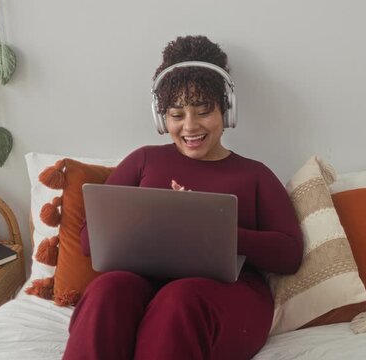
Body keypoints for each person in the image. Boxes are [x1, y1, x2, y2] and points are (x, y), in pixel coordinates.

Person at [62, 35, 303, 360]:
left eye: (203, 111)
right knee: (108, 289)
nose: (190, 126)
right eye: (176, 115)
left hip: (227, 294)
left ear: (225, 110)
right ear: (162, 118)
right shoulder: (143, 161)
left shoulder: (254, 174)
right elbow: (90, 242)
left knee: (179, 298)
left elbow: (289, 254)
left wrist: (213, 230)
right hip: (144, 284)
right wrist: (156, 222)